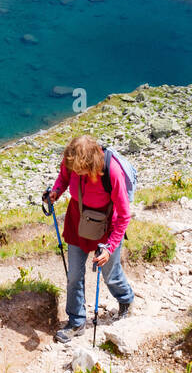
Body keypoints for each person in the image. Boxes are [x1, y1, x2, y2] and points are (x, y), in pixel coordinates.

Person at [43, 134, 134, 343]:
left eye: (79, 170)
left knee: (110, 272)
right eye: (72, 168)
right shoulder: (71, 161)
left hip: (107, 226)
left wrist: (110, 247)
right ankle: (76, 321)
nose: (75, 172)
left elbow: (124, 214)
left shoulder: (112, 172)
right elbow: (63, 179)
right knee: (74, 273)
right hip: (77, 221)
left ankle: (126, 299)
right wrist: (56, 191)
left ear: (90, 163)